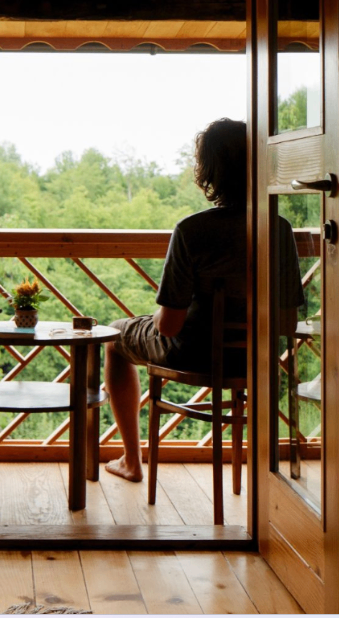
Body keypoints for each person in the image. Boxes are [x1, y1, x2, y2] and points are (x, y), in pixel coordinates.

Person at [104, 117, 250, 483]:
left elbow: (169, 325)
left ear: (208, 171)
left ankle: (131, 461)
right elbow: (289, 316)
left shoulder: (193, 230)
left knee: (113, 336)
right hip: (258, 357)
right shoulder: (278, 228)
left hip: (195, 352)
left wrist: (154, 316)